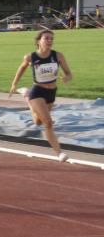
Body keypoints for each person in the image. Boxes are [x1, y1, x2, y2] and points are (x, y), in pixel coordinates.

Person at [8, 29, 73, 162]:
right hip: (38, 91)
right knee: (48, 122)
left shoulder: (58, 56)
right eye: (46, 38)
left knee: (38, 122)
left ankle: (26, 96)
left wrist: (67, 78)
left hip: (51, 92)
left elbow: (69, 73)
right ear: (39, 41)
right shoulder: (30, 57)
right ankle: (59, 153)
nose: (49, 41)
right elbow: (21, 69)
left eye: (51, 39)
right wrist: (14, 84)